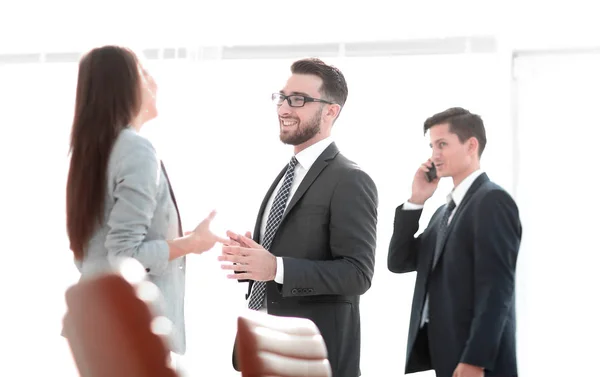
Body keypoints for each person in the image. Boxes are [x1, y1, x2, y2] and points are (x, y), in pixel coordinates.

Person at [219, 58, 378, 377]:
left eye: (299, 100)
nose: (284, 109)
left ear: (331, 111)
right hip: (264, 348)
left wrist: (276, 267)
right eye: (282, 97)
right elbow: (289, 253)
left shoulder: (350, 179)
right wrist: (251, 260)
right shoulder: (286, 176)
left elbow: (358, 273)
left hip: (312, 358)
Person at [65, 45, 228, 357]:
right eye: (144, 73)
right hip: (132, 329)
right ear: (122, 86)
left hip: (98, 325)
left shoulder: (92, 152)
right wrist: (192, 243)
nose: (154, 82)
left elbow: (89, 255)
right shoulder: (135, 149)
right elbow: (124, 257)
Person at [387, 107, 521, 377]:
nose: (434, 154)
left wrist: (475, 359)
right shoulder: (444, 213)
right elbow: (399, 261)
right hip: (448, 355)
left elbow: (497, 290)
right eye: (432, 146)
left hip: (478, 363)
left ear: (471, 145)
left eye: (443, 144)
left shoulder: (491, 201)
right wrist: (416, 201)